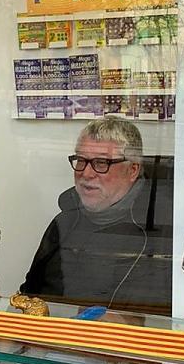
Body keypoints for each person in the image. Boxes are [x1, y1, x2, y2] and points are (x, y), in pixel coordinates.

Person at [21, 116, 172, 311]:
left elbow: (165, 317)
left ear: (133, 170)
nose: (86, 173)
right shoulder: (64, 222)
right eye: (81, 160)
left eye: (101, 163)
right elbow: (30, 296)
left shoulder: (163, 227)